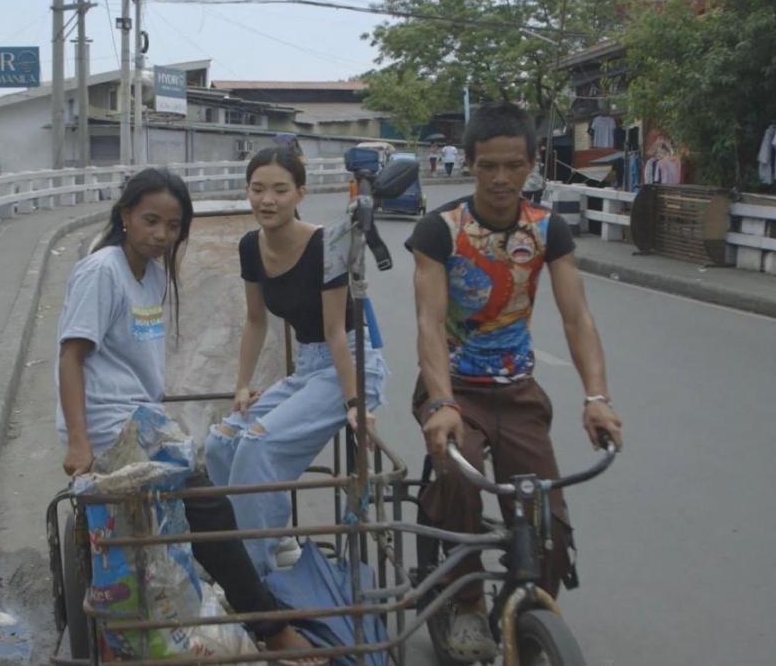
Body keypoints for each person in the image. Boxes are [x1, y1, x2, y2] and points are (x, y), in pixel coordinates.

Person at [56, 167, 324, 665]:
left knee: (179, 525)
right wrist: (78, 444)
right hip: (108, 427)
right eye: (150, 221)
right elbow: (70, 355)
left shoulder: (153, 272)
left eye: (173, 226)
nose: (161, 235)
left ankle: (220, 616)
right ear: (126, 216)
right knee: (207, 510)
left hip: (140, 420)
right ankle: (271, 627)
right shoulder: (103, 270)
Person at [406, 102, 623, 659]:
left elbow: (578, 318)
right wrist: (443, 403)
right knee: (461, 478)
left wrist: (596, 398)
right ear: (471, 165)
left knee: (544, 518)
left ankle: (528, 610)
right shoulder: (441, 230)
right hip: (453, 390)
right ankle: (469, 603)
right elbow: (428, 324)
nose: (501, 179)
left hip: (519, 393)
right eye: (488, 167)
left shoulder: (548, 229)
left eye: (513, 166)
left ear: (532, 163)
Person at [204, 147, 388, 576]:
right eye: (258, 189)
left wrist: (354, 402)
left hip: (352, 367)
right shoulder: (250, 246)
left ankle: (254, 573)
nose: (267, 200)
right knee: (220, 442)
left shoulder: (328, 245)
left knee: (257, 444)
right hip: (309, 369)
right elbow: (255, 321)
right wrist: (242, 385)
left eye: (280, 190)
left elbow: (336, 333)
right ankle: (271, 538)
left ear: (299, 193)